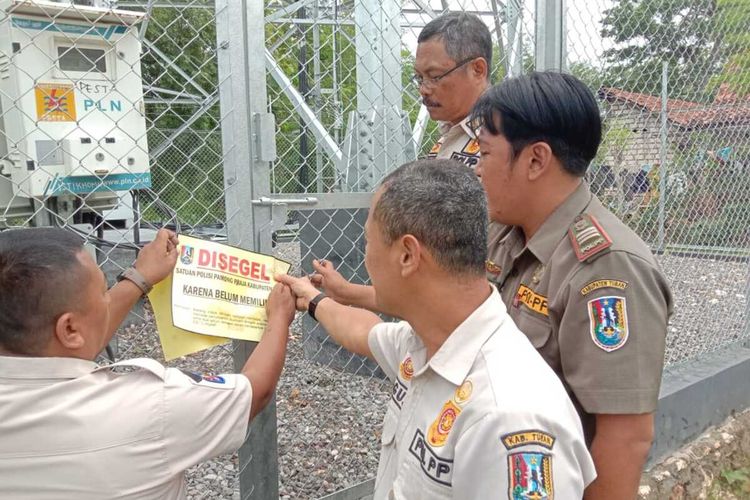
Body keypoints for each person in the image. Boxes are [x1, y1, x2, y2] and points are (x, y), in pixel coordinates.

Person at [307, 72, 674, 500]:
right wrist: (343, 295)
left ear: (535, 160)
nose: (476, 168)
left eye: (484, 152)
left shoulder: (608, 269)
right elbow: (437, 296)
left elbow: (625, 438)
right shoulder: (505, 233)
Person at [277, 159, 595, 499]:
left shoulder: (508, 418)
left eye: (368, 241)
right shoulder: (429, 341)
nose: (365, 257)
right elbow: (363, 331)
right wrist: (311, 299)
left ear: (408, 255)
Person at [0, 227, 295, 499]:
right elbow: (255, 391)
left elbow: (71, 342)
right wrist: (279, 316)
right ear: (69, 329)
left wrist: (140, 276)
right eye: (104, 292)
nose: (108, 299)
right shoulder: (151, 406)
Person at [415, 12, 491, 168]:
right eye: (419, 77)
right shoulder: (452, 132)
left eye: (434, 76)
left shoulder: (507, 137)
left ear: (477, 70)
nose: (423, 90)